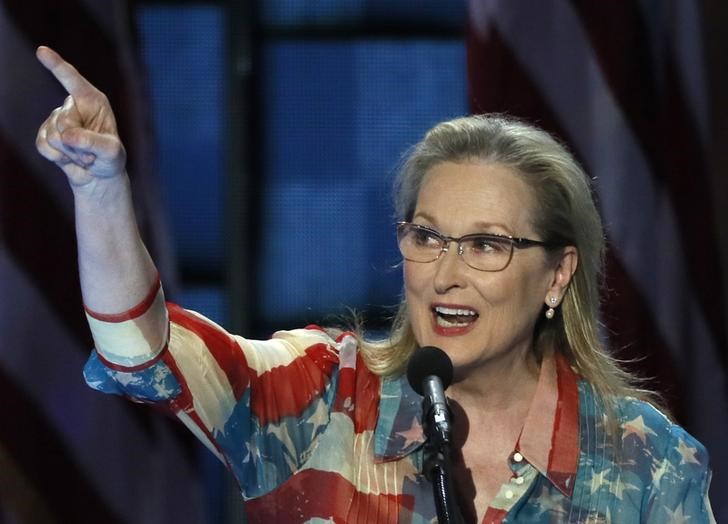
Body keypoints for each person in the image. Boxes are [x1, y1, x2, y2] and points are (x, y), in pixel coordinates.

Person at [35, 45, 715, 523]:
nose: (446, 276)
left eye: (485, 246)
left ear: (557, 275)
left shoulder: (646, 461)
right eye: (427, 237)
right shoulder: (319, 395)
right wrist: (99, 193)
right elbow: (140, 352)